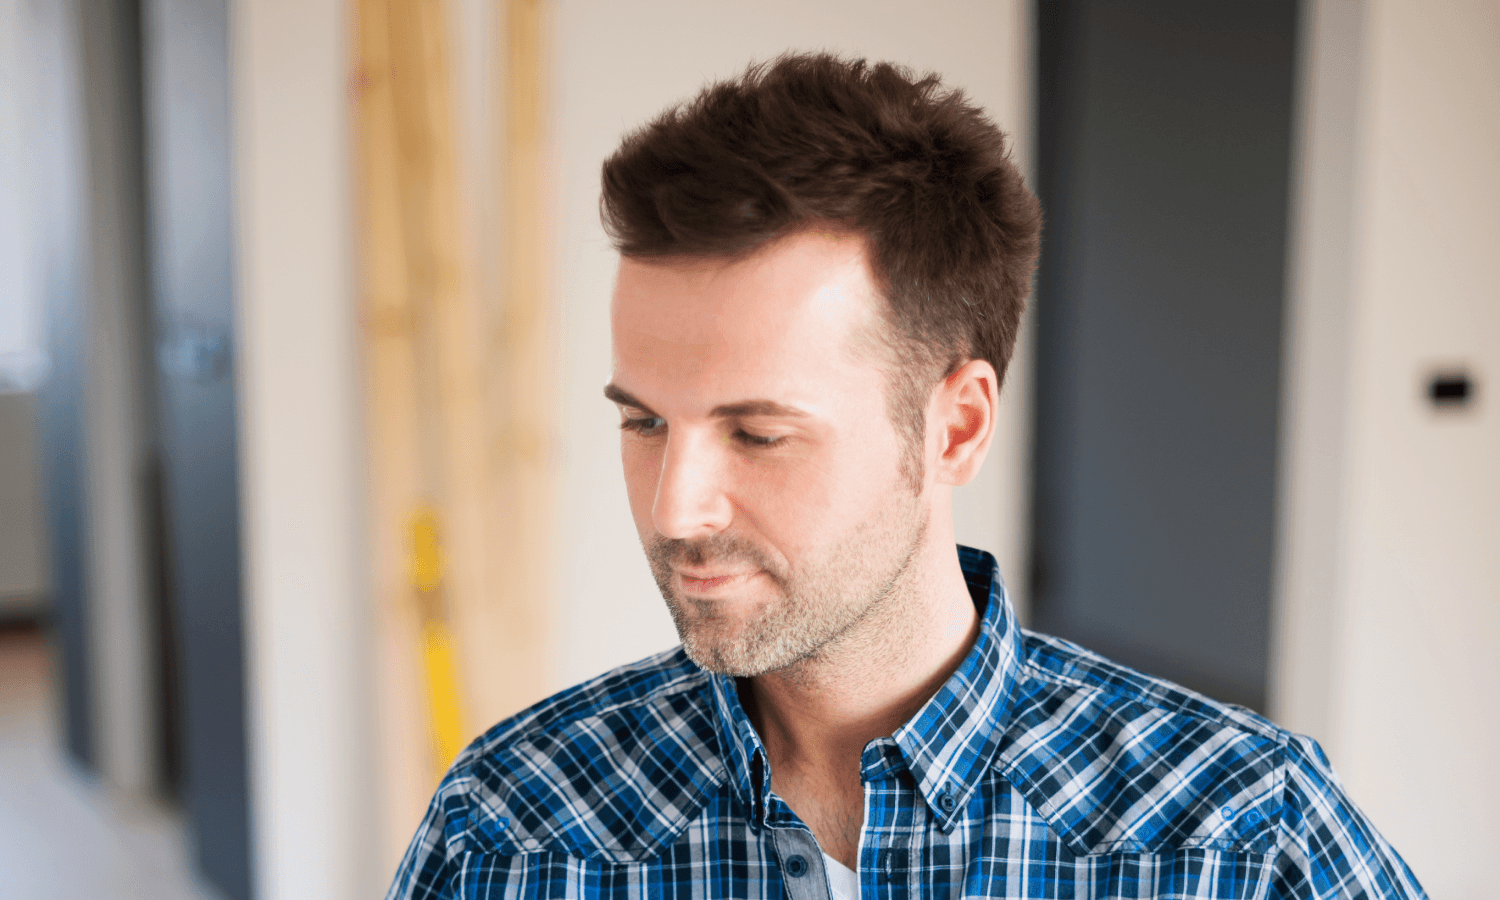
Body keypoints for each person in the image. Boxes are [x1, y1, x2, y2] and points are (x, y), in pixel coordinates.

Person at [387, 53, 1424, 899]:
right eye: (646, 421)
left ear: (955, 428)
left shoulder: (1242, 840)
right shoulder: (508, 829)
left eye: (759, 433)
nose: (675, 508)